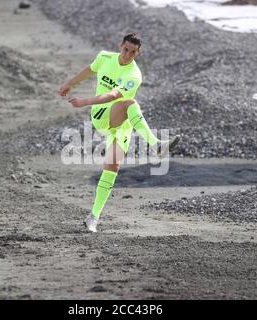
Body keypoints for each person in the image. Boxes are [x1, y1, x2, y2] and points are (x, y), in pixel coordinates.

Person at [58, 33, 180, 233]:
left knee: (112, 167)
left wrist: (84, 100)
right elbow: (90, 69)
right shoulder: (105, 57)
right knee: (131, 103)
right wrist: (71, 83)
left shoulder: (134, 75)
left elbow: (114, 94)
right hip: (102, 114)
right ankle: (156, 144)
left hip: (122, 122)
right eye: (126, 49)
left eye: (133, 52)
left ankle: (93, 217)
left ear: (138, 53)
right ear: (120, 46)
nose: (128, 55)